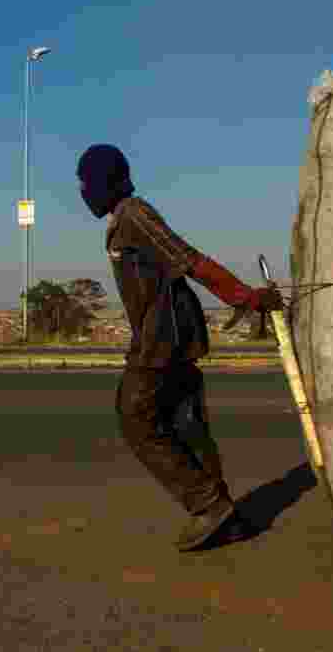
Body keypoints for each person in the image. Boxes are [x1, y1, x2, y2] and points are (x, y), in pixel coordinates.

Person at [77, 144, 284, 551]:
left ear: (109, 182)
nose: (83, 192)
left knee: (135, 415)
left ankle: (208, 504)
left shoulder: (135, 213)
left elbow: (192, 261)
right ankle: (226, 516)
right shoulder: (123, 219)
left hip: (165, 338)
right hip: (165, 335)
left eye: (88, 183)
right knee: (187, 421)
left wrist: (243, 296)